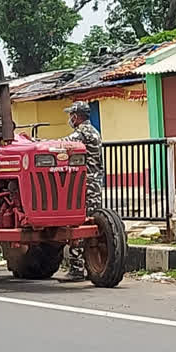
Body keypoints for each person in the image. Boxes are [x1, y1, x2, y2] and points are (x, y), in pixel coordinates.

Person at [59, 101, 103, 281]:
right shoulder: (94, 131)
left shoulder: (83, 133)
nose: (70, 118)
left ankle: (77, 269)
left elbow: (62, 144)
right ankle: (88, 265)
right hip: (95, 183)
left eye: (71, 115)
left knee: (79, 224)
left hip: (86, 184)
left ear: (76, 116)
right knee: (89, 223)